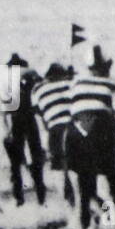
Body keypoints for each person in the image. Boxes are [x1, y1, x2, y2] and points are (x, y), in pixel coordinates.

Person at [63, 44, 115, 229]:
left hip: (74, 132)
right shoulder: (114, 84)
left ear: (89, 68)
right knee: (110, 187)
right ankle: (112, 228)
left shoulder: (76, 84)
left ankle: (83, 228)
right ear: (108, 65)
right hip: (99, 130)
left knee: (82, 191)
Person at [0, 53, 48, 206]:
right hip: (29, 119)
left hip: (12, 120)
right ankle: (41, 197)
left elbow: (3, 109)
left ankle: (19, 200)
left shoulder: (5, 79)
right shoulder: (29, 74)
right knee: (36, 159)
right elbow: (42, 85)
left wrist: (5, 131)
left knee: (15, 166)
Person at [30, 62, 76, 205]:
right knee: (84, 177)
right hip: (76, 128)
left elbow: (41, 120)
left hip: (55, 131)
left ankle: (72, 213)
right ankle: (105, 218)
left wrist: (46, 146)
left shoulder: (38, 90)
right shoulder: (72, 84)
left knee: (61, 174)